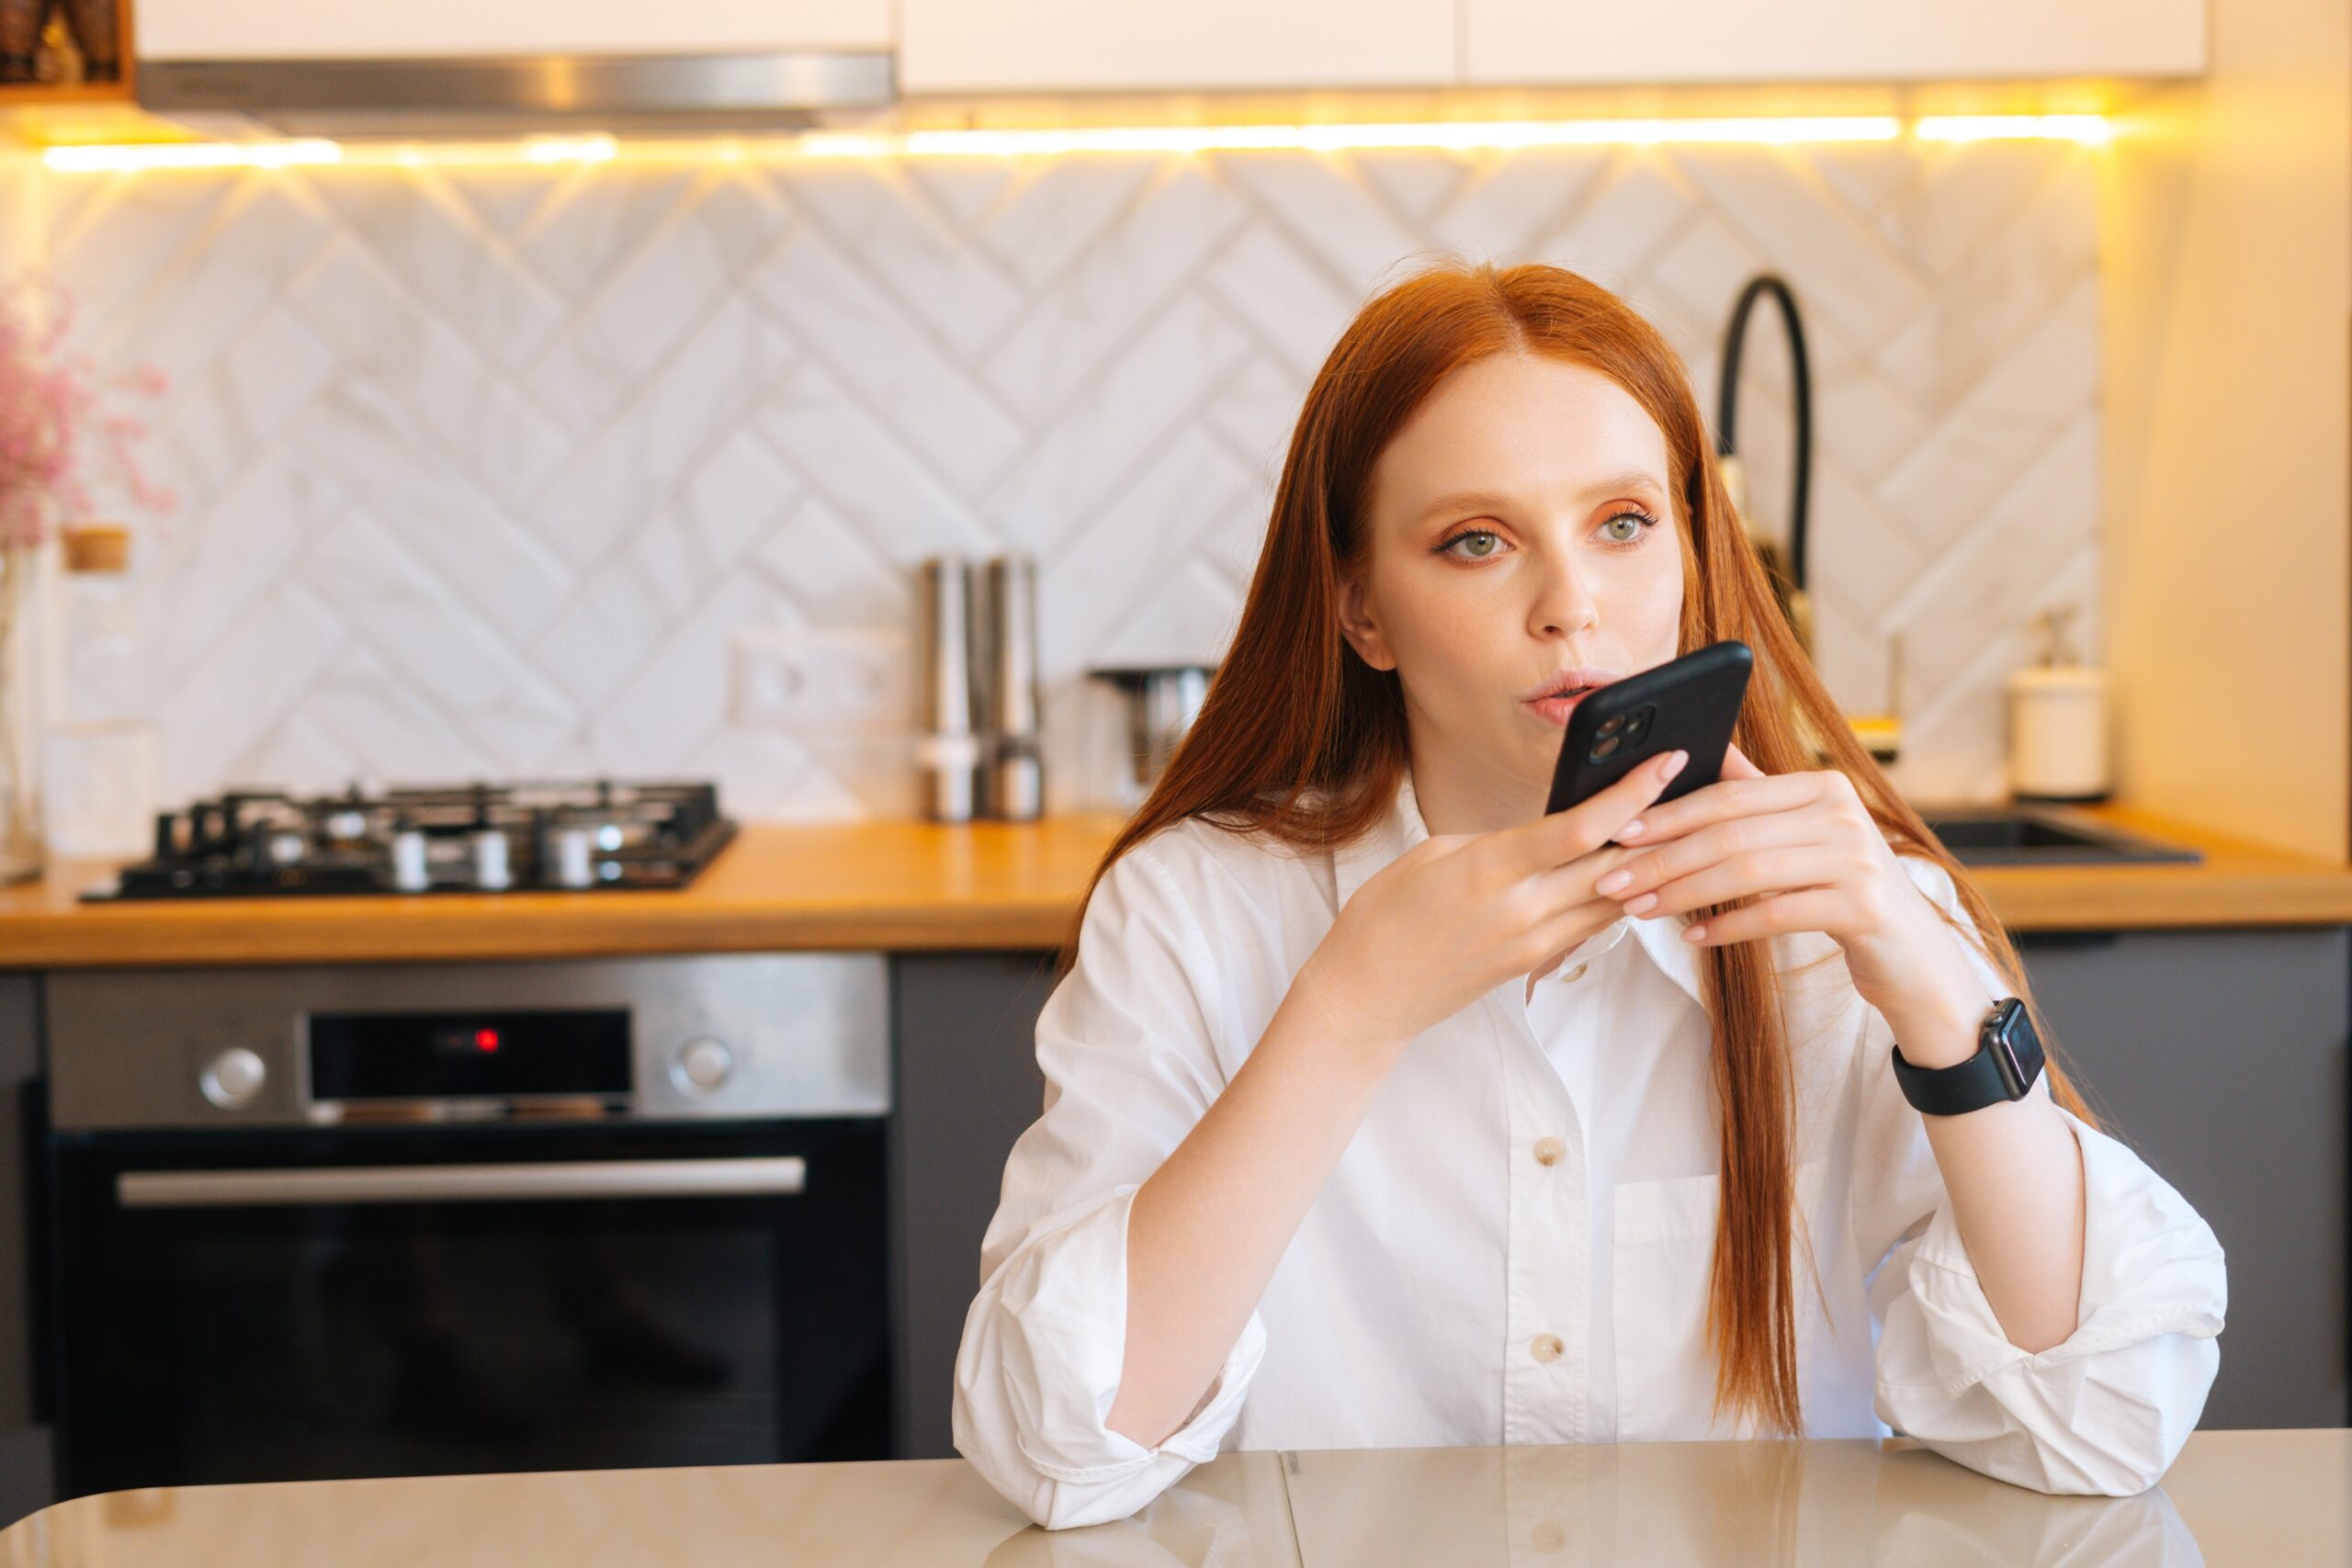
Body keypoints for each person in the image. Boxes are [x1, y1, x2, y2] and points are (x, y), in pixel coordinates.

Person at [951, 259, 2226, 1532]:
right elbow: (1058, 1450)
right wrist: (1348, 1013)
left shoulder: (1839, 919)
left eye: (1622, 524)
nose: (1573, 608)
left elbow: (2104, 1423)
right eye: (1477, 542)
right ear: (1362, 610)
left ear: (1687, 548)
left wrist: (1930, 977)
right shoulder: (1193, 910)